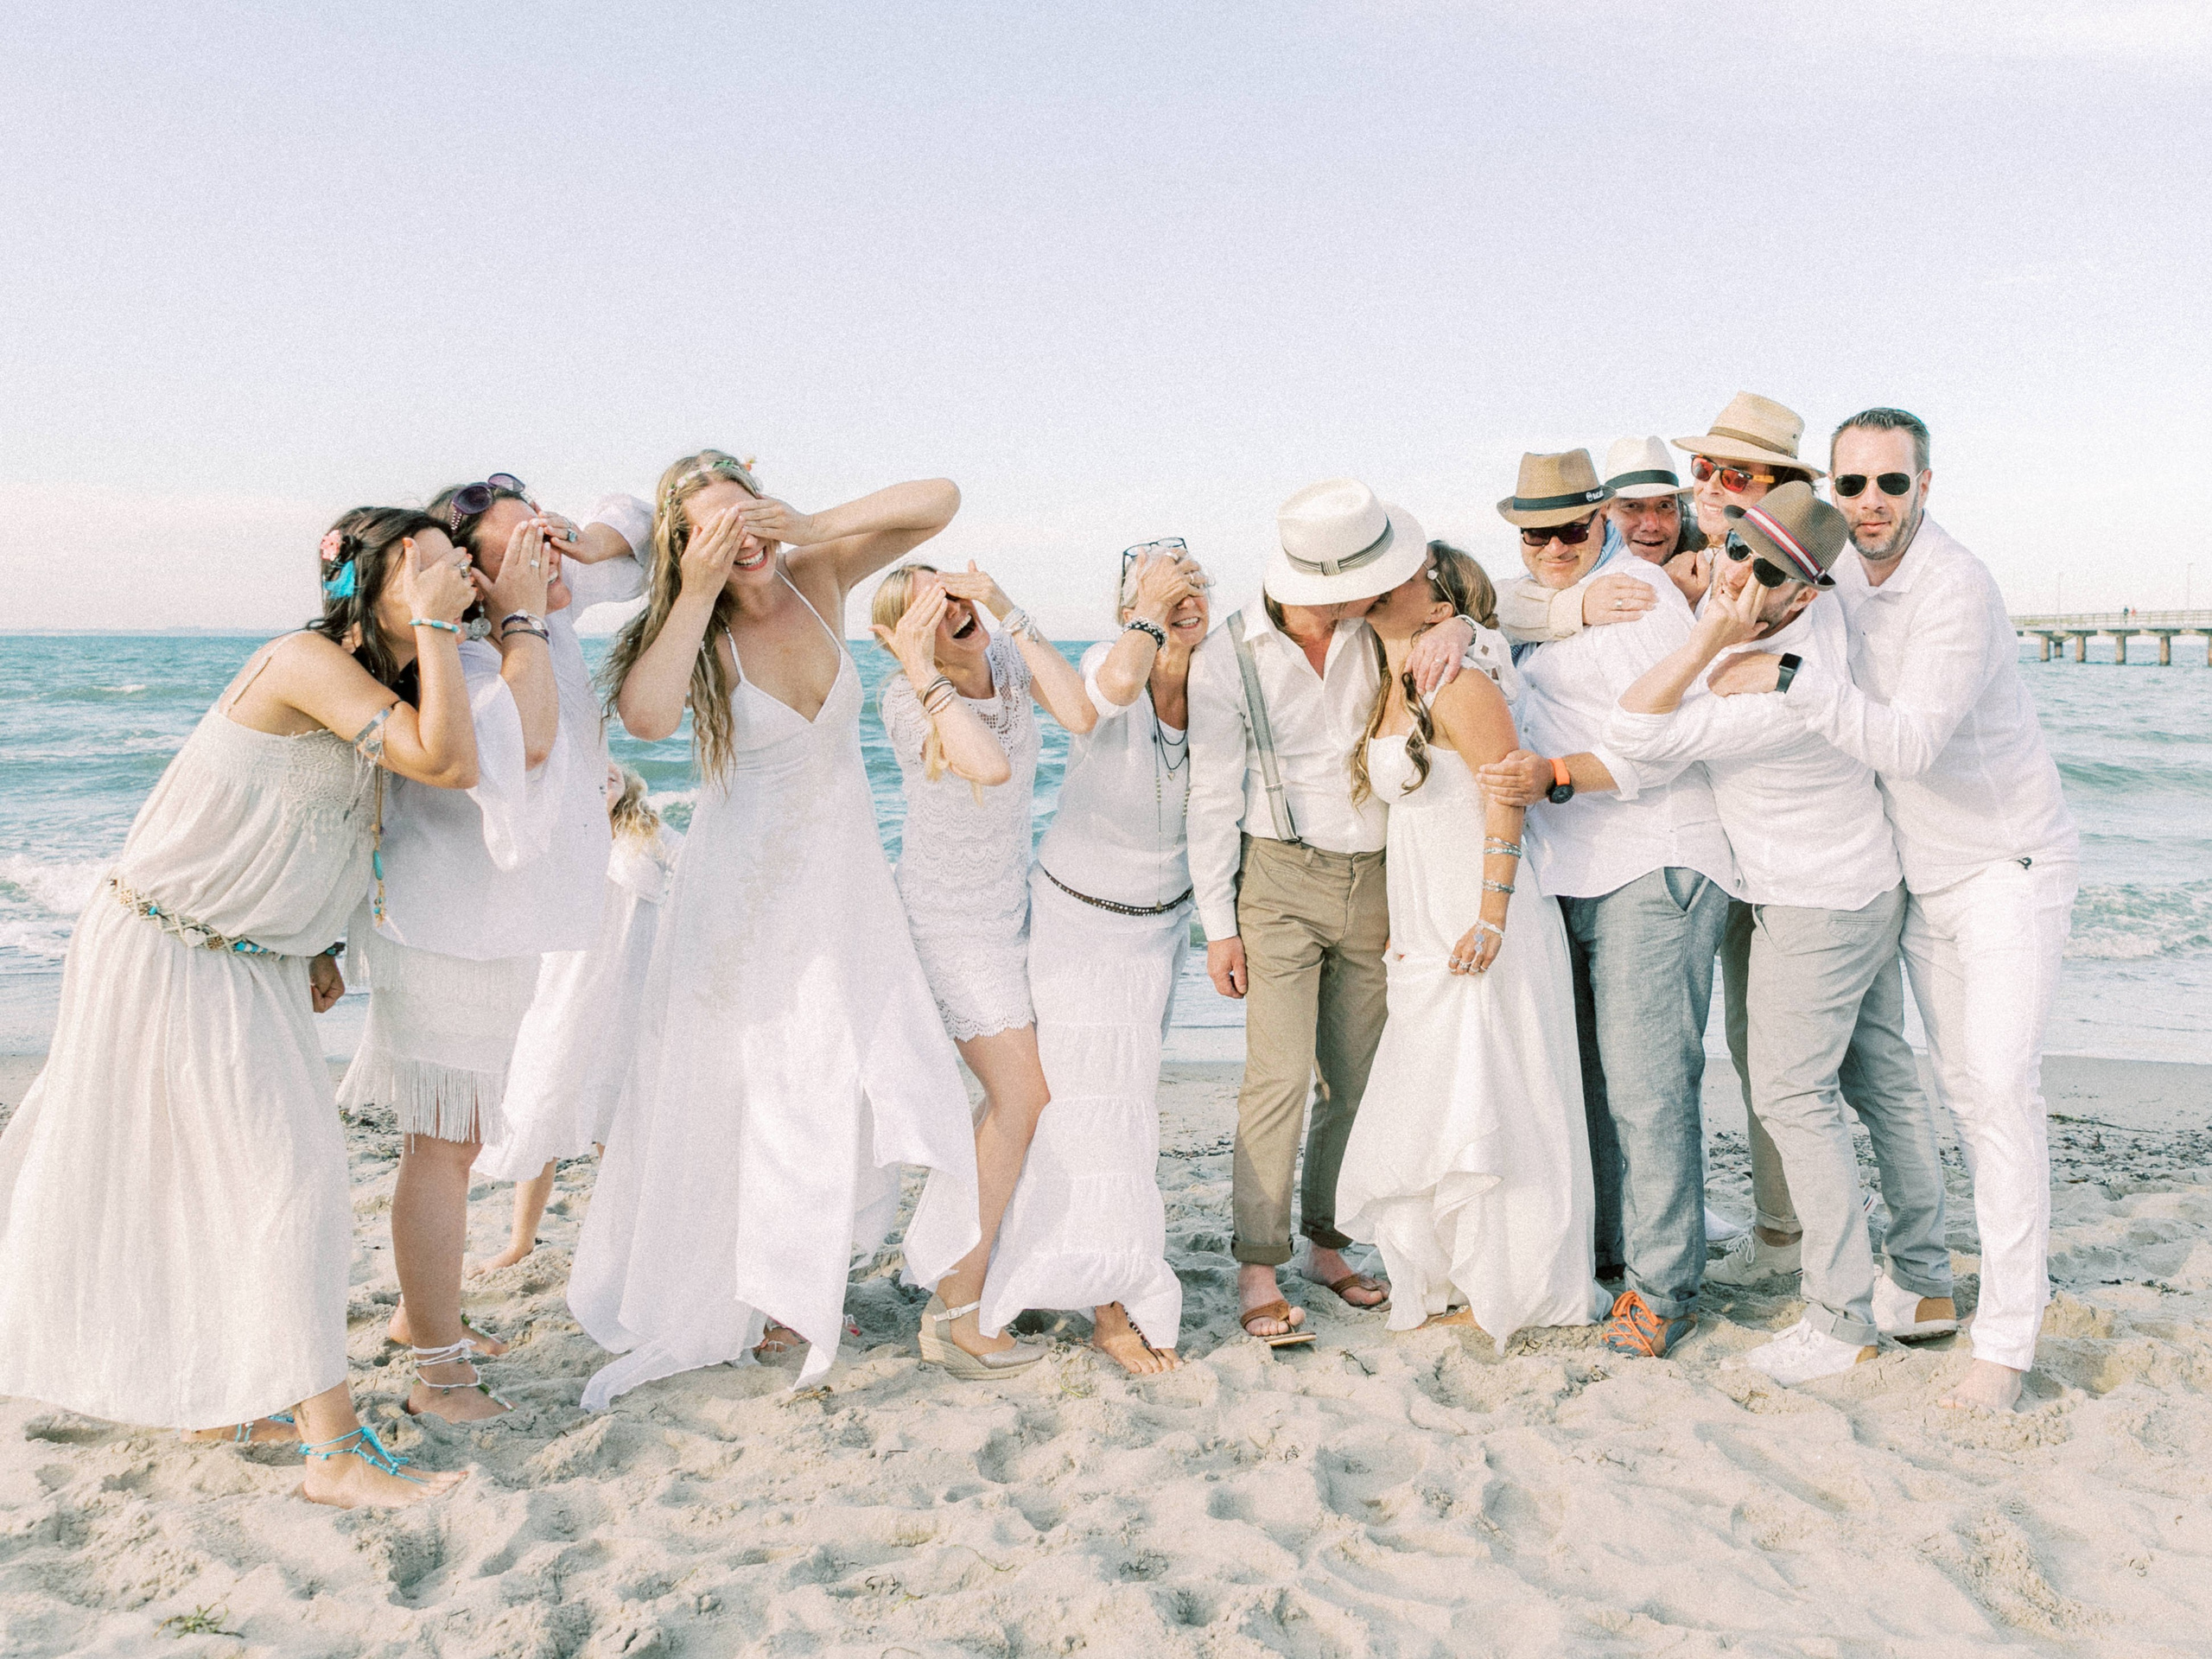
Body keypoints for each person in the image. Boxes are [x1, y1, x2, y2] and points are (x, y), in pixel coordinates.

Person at [0, 509, 480, 1508]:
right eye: (424, 564)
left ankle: (229, 1392)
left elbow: (348, 820)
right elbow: (444, 761)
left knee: (238, 1181)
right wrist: (442, 630)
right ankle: (334, 1456)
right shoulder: (302, 660)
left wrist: (322, 939)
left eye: (455, 562)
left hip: (246, 961)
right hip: (170, 950)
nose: (451, 576)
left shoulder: (382, 683)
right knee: (288, 1183)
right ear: (365, 582)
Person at [571, 451, 980, 1401]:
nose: (741, 541)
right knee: (751, 1089)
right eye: (715, 529)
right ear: (683, 546)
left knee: (840, 1080)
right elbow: (645, 717)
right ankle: (766, 1288)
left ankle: (802, 1272)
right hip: (739, 896)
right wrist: (695, 587)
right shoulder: (688, 632)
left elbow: (939, 497)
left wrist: (803, 522)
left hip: (838, 885)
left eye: (744, 516)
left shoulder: (818, 573)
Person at [1709, 409, 2079, 1413]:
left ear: (1926, 486)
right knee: (1954, 1090)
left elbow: (1909, 743)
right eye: (1851, 486)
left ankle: (2004, 1346)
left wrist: (1784, 678)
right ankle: (1929, 1288)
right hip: (1916, 883)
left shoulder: (1954, 586)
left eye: (1890, 485)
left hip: (2007, 868)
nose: (1869, 505)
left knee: (1997, 1095)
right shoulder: (1840, 581)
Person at [1601, 482, 1957, 1384]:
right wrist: (1721, 594)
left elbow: (1633, 733)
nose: (1742, 579)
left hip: (1814, 906)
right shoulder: (1817, 630)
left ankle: (1840, 1318)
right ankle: (1921, 1281)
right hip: (1863, 883)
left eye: (1771, 574)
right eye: (1734, 552)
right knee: (1881, 1082)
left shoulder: (1775, 687)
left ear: (1805, 595)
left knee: (1791, 1098)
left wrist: (1707, 635)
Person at [337, 478, 644, 1424]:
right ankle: (437, 1368)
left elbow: (634, 525)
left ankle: (421, 1324)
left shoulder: (538, 604)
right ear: (471, 574)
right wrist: (518, 618)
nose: (547, 555)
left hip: (492, 930)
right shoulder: (469, 656)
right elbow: (534, 745)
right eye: (527, 544)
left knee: (455, 1143)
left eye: (548, 536)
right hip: (443, 936)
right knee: (444, 1145)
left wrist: (577, 547)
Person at [1186, 478, 1477, 1346]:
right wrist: (1217, 927)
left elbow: (1481, 626)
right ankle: (1255, 1263)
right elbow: (1210, 797)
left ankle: (1326, 1244)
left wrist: (1455, 624)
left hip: (1380, 880)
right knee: (1276, 1080)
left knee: (1357, 1082)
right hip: (1274, 882)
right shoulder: (1225, 657)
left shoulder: (1381, 627)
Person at [1476, 449, 1739, 1360]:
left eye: (1570, 528)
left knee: (1647, 1089)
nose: (1552, 546)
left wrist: (1552, 779)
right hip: (1572, 868)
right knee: (1589, 1081)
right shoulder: (1541, 604)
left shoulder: (1639, 598)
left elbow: (1672, 738)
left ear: (1603, 520)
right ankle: (1616, 1254)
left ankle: (1665, 1287)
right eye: (1533, 533)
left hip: (1651, 859)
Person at [1336, 547, 1606, 1338]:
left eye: (1401, 580)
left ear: (1441, 602)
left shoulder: (1462, 679)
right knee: (1439, 1087)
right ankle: (1459, 1270)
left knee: (1498, 1089)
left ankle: (1519, 1283)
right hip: (1424, 914)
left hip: (1482, 911)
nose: (1377, 590)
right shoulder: (1392, 680)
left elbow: (1505, 795)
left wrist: (1490, 914)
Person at [976, 540, 1210, 1375]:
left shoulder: (1221, 681)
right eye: (1161, 590)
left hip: (1157, 933)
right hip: (1079, 924)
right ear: (1129, 608)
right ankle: (1107, 1306)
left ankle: (1071, 1272)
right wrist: (1152, 613)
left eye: (1194, 586)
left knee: (1124, 1109)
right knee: (1082, 1105)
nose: (1185, 600)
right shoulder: (1101, 662)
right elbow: (1105, 697)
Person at [872, 558, 1098, 1376]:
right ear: (900, 639)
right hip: (947, 926)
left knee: (1020, 1103)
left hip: (1016, 911)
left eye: (953, 594)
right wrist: (922, 668)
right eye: (927, 609)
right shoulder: (903, 700)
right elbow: (989, 765)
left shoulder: (1004, 659)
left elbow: (1078, 712)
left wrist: (1005, 603)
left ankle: (960, 1265)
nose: (952, 611)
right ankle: (955, 1310)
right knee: (1023, 1096)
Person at [473, 764, 681, 1272]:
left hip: (629, 989)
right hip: (565, 988)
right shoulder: (555, 832)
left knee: (620, 1111)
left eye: (611, 769)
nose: (601, 772)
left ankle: (630, 1244)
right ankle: (521, 1240)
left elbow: (699, 866)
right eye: (592, 769)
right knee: (545, 1100)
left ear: (629, 782)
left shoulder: (647, 827)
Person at [1493, 436, 1708, 644]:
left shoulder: (1709, 562)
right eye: (1632, 506)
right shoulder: (1567, 567)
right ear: (1605, 514)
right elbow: (1497, 604)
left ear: (1681, 512)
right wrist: (1580, 605)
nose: (1651, 524)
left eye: (1665, 506)